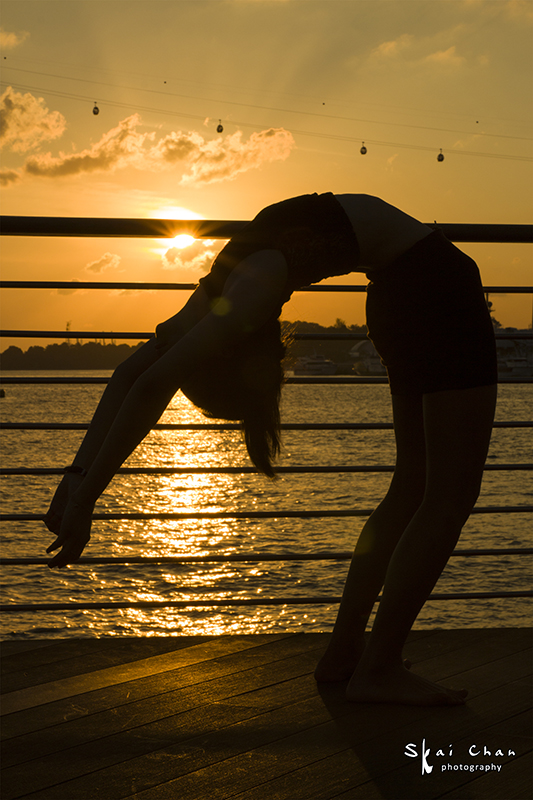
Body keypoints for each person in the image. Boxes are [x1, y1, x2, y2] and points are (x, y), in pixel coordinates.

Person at [44, 192, 497, 706]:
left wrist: (80, 489)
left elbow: (139, 378)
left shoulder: (227, 293)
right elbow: (140, 380)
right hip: (435, 294)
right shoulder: (239, 288)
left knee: (414, 487)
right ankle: (379, 667)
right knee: (448, 496)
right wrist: (79, 489)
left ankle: (349, 654)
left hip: (401, 299)